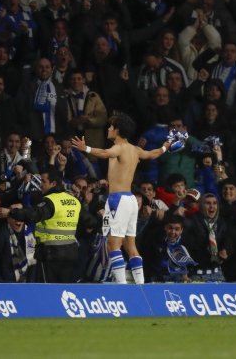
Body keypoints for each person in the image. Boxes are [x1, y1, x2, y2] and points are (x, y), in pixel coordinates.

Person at [72, 112, 174, 284]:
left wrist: (86, 148)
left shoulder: (119, 148)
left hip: (118, 200)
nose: (109, 128)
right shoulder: (135, 150)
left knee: (113, 244)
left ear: (117, 130)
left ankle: (122, 288)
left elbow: (104, 153)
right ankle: (141, 286)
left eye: (111, 126)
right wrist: (166, 146)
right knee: (130, 245)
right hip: (132, 200)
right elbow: (153, 154)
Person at [7, 169, 81, 283]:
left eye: (43, 181)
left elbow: (33, 215)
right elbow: (90, 221)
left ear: (53, 184)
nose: (40, 184)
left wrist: (11, 212)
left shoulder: (50, 201)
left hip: (52, 253)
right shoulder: (74, 201)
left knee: (50, 291)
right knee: (66, 290)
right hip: (71, 252)